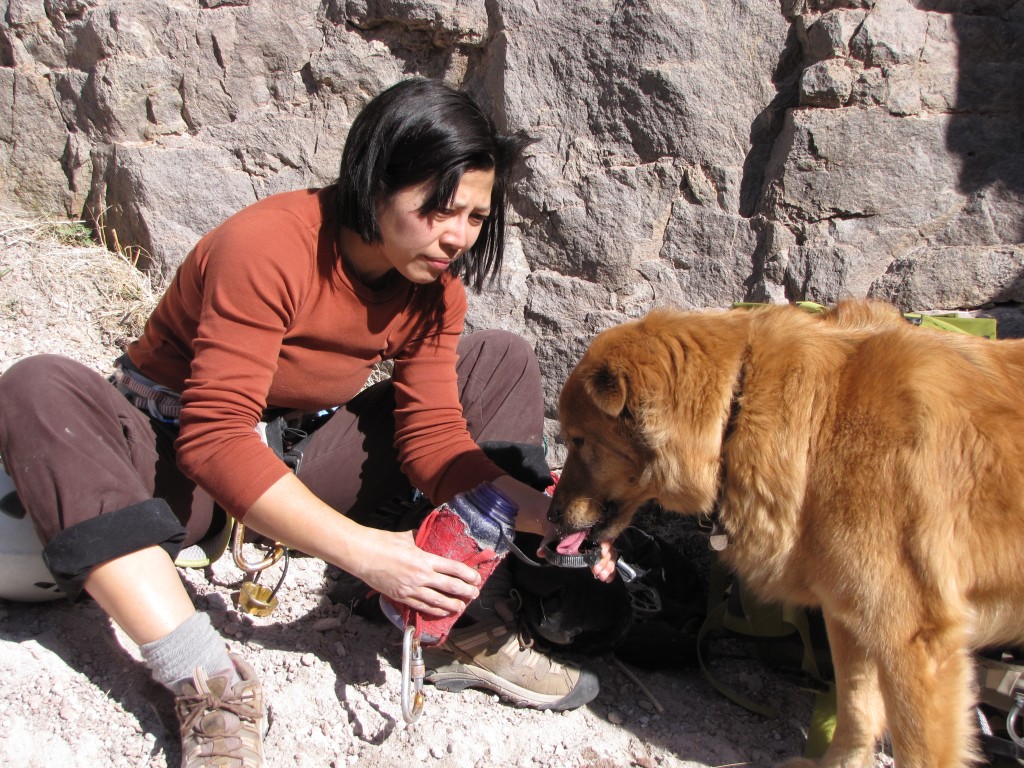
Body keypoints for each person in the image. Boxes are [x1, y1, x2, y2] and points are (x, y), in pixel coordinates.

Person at [0, 78, 616, 767]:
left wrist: (558, 518)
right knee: (37, 385)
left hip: (292, 463)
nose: (456, 238)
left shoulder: (434, 292)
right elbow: (214, 436)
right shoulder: (267, 246)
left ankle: (457, 620)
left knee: (499, 358)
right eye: (440, 209)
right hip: (175, 468)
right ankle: (208, 682)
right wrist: (365, 552)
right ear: (377, 179)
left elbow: (434, 442)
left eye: (475, 218)